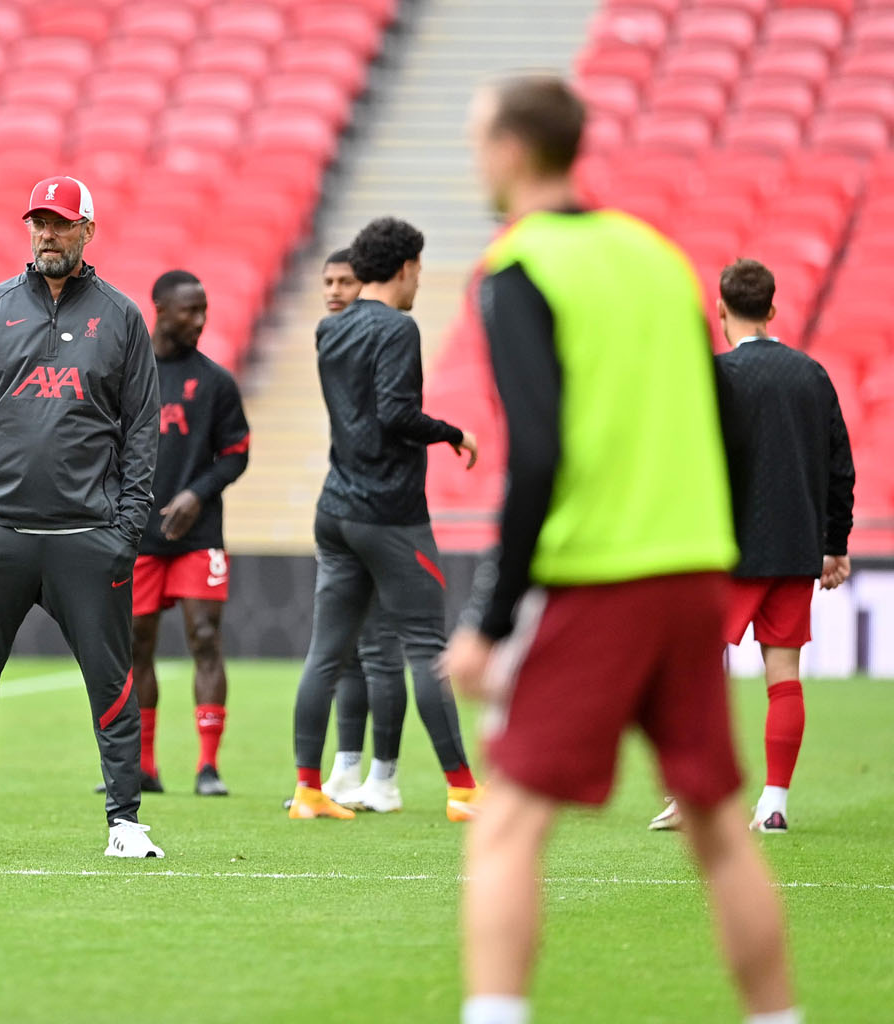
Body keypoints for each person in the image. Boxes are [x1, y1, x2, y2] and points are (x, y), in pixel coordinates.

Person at [443, 74, 798, 1024]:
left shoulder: (517, 268)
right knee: (722, 828)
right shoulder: (658, 258)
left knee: (509, 824)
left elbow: (540, 453)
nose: (476, 156)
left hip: (597, 577)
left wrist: (490, 619)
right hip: (690, 574)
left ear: (515, 150)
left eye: (480, 138)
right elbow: (722, 424)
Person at [0, 175, 164, 858]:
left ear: (88, 229)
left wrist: (128, 525)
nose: (47, 234)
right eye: (38, 223)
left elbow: (142, 427)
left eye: (60, 223)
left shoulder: (121, 317)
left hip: (88, 536)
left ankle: (124, 822)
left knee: (112, 683)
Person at [650, 259, 855, 835]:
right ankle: (773, 804)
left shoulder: (715, 377)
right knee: (783, 674)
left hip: (725, 550)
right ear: (771, 309)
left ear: (720, 311)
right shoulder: (811, 374)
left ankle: (691, 797)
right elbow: (841, 467)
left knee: (694, 673)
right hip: (793, 550)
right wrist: (834, 543)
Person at [288, 216, 481, 822]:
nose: (419, 281)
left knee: (326, 654)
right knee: (425, 645)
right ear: (404, 268)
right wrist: (452, 433)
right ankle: (464, 791)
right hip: (390, 512)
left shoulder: (329, 329)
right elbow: (398, 413)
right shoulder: (399, 328)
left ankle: (308, 790)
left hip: (335, 508)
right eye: (419, 270)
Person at [128, 269, 250, 797]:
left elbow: (237, 453)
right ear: (159, 307)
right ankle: (144, 767)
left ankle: (208, 767)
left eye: (204, 310)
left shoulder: (216, 382)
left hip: (199, 536)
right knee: (136, 646)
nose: (199, 320)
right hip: (137, 537)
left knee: (204, 638)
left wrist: (197, 493)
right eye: (189, 310)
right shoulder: (127, 376)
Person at [315, 247, 411, 811]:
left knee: (379, 649)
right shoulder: (334, 338)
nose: (333, 291)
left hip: (381, 511)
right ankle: (348, 769)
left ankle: (385, 774)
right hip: (344, 505)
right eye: (326, 281)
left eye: (344, 281)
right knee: (348, 652)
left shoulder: (385, 339)